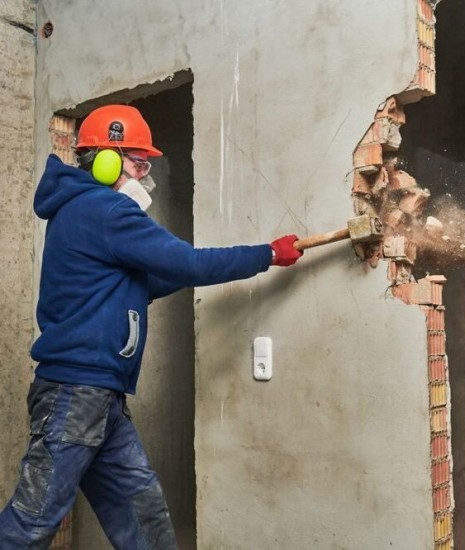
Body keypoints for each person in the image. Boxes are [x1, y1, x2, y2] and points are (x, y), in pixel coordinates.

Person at [0, 104, 303, 548]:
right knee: (32, 523)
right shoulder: (104, 210)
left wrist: (191, 270)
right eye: (139, 162)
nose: (144, 175)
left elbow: (147, 281)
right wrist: (266, 255)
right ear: (106, 159)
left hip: (100, 396)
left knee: (144, 516)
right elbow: (190, 263)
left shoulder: (83, 212)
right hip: (75, 392)